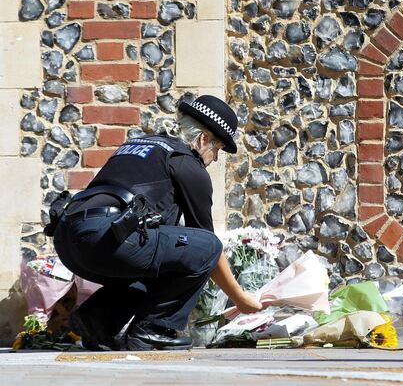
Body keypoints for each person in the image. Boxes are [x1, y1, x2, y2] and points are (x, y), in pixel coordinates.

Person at [52, 95, 263, 351]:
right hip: (107, 237)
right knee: (205, 246)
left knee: (159, 262)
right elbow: (209, 248)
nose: (216, 158)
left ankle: (97, 321)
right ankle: (153, 329)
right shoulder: (187, 163)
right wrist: (240, 298)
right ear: (204, 139)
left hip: (69, 239)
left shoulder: (140, 145)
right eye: (217, 148)